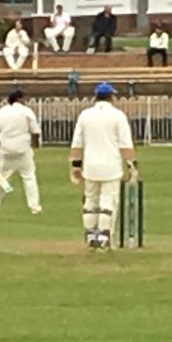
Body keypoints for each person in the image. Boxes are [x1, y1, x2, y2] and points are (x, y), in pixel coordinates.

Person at [70, 82, 137, 250]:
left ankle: (91, 238)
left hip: (91, 167)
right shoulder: (117, 116)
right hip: (111, 167)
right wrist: (132, 166)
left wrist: (75, 166)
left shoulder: (85, 115)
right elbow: (125, 145)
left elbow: (77, 144)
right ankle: (104, 239)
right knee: (108, 201)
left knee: (90, 202)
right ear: (110, 97)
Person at [0, 88, 42, 216]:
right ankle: (34, 207)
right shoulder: (26, 111)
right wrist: (35, 145)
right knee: (29, 178)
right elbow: (35, 131)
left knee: (1, 178)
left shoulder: (1, 112)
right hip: (23, 150)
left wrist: (0, 147)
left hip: (6, 151)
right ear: (19, 98)